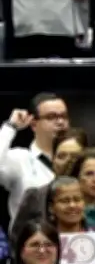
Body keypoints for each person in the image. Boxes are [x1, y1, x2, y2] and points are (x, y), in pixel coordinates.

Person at [11, 127, 88, 245]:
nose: (69, 161)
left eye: (75, 156)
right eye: (61, 156)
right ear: (53, 160)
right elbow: (17, 240)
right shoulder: (36, 196)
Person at [0, 94, 69, 223]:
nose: (60, 122)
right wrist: (10, 126)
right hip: (31, 234)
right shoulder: (20, 159)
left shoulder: (77, 157)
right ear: (33, 124)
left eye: (64, 116)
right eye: (51, 117)